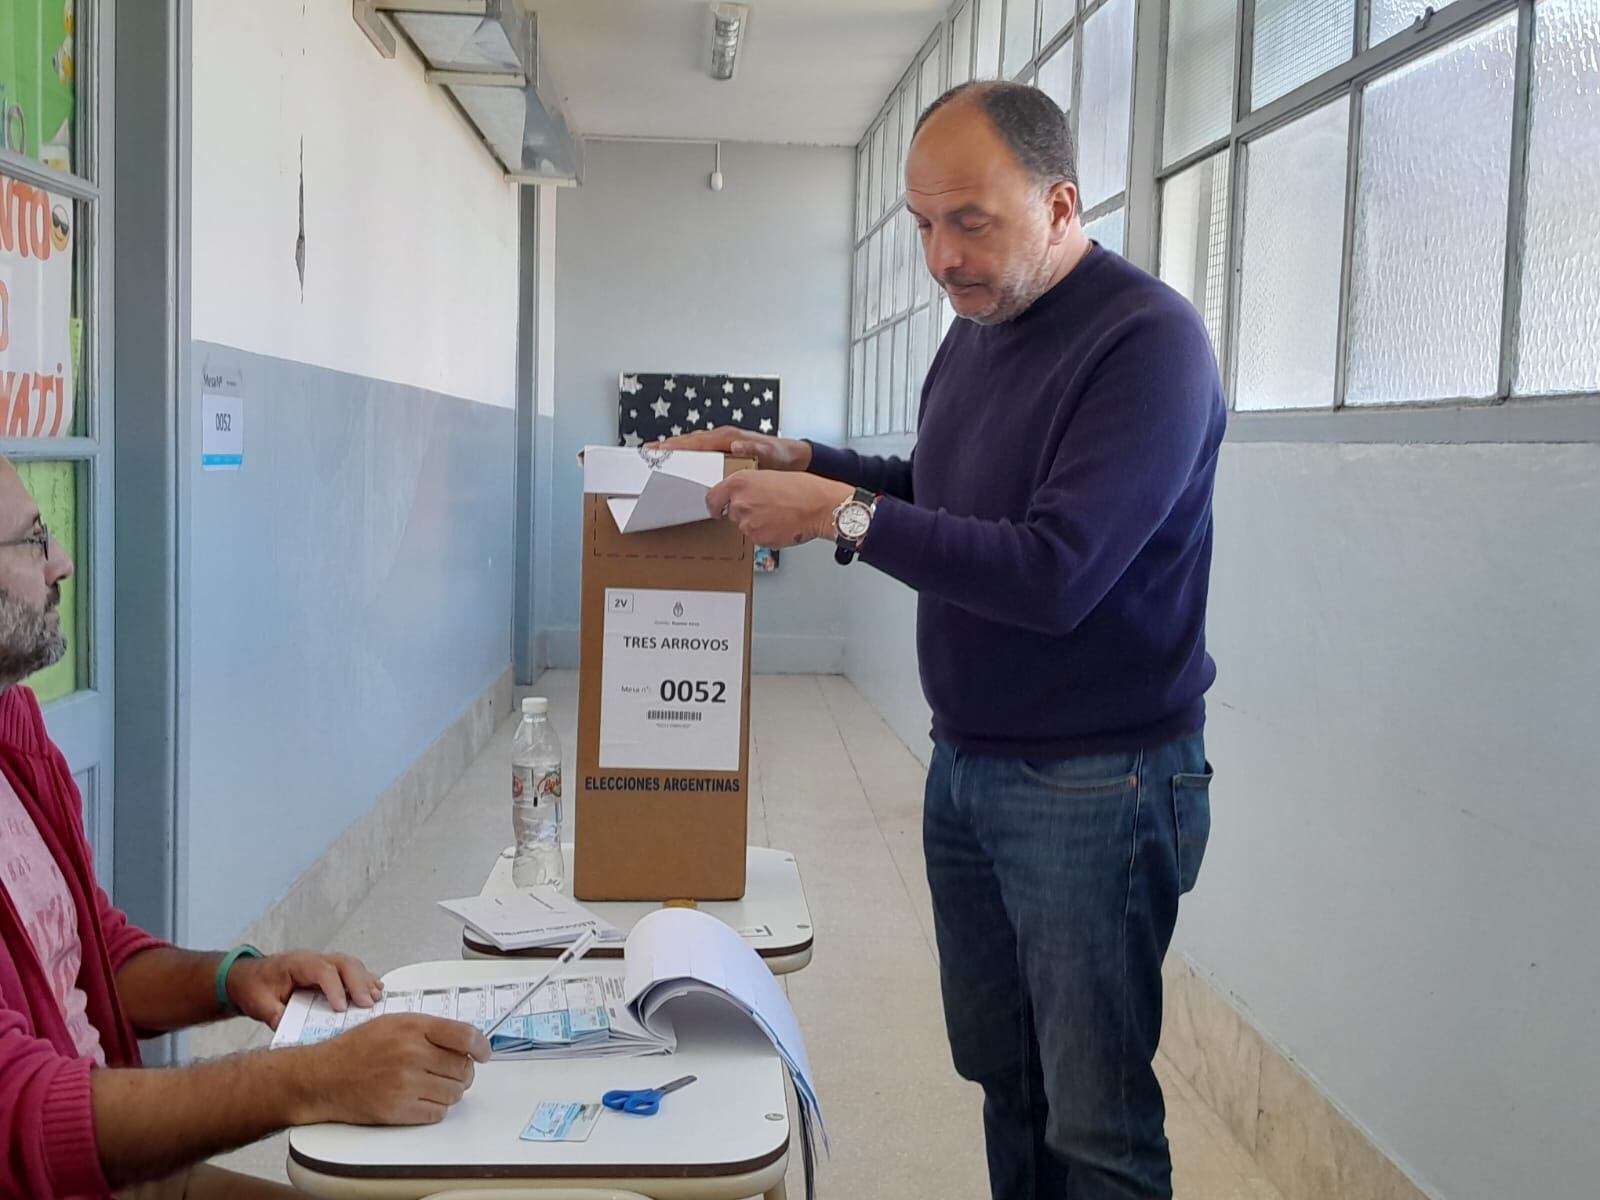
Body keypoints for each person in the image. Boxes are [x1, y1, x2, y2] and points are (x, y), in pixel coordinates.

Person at [669, 81, 1225, 1200]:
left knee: (1096, 1121)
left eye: (970, 221)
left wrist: (833, 514)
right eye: (924, 224)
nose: (941, 258)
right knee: (1003, 1075)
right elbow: (941, 489)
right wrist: (801, 461)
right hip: (967, 766)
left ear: (1061, 205)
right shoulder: (976, 332)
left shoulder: (1146, 343)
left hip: (1097, 783)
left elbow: (1055, 570)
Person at [0, 457, 492, 1200]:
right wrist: (311, 1080)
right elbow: (22, 1119)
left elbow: (89, 952)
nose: (63, 561)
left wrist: (236, 979)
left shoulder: (14, 726)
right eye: (34, 540)